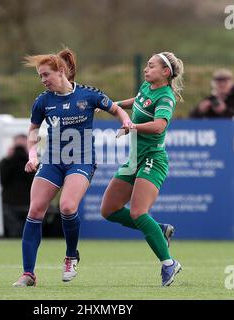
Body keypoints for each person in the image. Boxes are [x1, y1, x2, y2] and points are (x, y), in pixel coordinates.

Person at [12, 48, 133, 287]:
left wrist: (125, 121)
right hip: (53, 160)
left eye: (46, 74)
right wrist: (32, 155)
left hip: (82, 159)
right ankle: (28, 274)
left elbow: (116, 108)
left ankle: (70, 256)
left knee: (67, 206)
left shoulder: (88, 95)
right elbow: (33, 131)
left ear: (61, 71)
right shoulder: (42, 101)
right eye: (40, 76)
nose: (43, 80)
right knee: (35, 210)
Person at [100, 52, 184, 286]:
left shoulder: (166, 96)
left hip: (152, 160)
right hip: (134, 159)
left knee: (138, 212)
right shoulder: (147, 87)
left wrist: (131, 125)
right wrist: (114, 105)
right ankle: (159, 229)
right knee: (108, 210)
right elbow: (136, 101)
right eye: (146, 66)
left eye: (151, 66)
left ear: (165, 73)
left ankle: (169, 264)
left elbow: (159, 126)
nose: (146, 70)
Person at [0, 134, 34, 238]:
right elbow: (3, 179)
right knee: (15, 230)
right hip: (9, 204)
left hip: (29, 204)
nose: (19, 152)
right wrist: (10, 160)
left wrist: (31, 158)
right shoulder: (6, 162)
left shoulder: (33, 163)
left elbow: (34, 181)